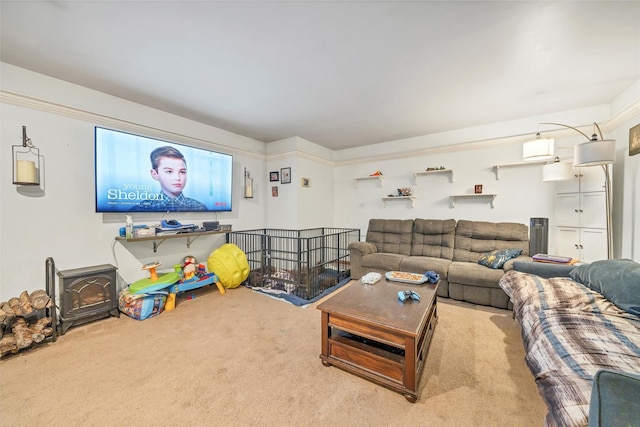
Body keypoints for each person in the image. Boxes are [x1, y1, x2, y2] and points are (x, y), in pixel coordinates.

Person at [130, 146, 207, 212]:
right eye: (169, 171)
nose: (177, 178)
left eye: (182, 172)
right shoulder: (141, 208)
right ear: (155, 174)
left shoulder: (200, 207)